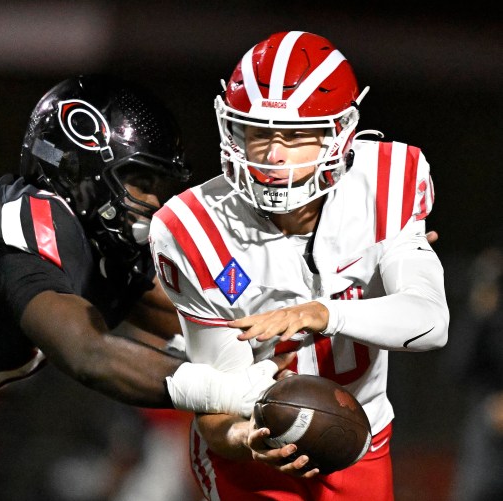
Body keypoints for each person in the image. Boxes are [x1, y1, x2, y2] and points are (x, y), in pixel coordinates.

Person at [0, 74, 288, 500]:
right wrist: (226, 390)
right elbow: (89, 354)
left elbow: (198, 316)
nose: (154, 203)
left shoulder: (88, 244)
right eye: (141, 182)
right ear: (80, 167)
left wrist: (290, 342)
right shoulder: (28, 231)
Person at [149, 31, 449, 500]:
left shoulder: (387, 182)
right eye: (258, 132)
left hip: (360, 439)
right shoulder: (190, 228)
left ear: (339, 132)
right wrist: (245, 441)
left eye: (294, 135)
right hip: (257, 451)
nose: (273, 154)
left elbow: (431, 322)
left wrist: (322, 313)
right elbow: (216, 412)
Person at [444, 233, 503, 501]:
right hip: (488, 411)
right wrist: (478, 313)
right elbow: (457, 366)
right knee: (477, 488)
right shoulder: (488, 308)